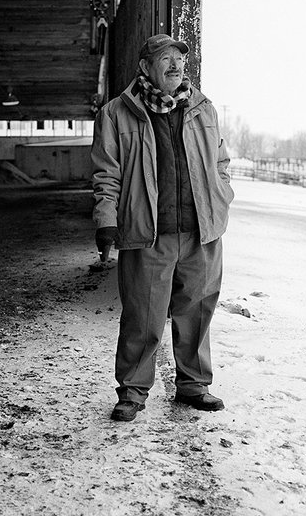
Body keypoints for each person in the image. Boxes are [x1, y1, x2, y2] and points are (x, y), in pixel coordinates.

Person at [91, 33, 234, 422]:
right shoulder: (117, 113)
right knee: (143, 315)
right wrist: (106, 221)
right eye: (165, 59)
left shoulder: (203, 109)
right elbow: (108, 175)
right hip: (148, 232)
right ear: (145, 67)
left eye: (179, 60)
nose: (175, 66)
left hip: (201, 230)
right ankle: (133, 392)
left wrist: (220, 196)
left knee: (198, 310)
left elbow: (221, 161)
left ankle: (193, 385)